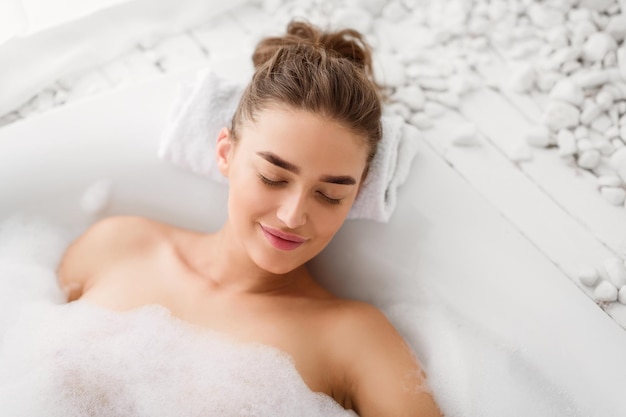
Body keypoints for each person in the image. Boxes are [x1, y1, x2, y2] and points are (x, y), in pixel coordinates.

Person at [57, 20, 442, 417]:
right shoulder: (117, 246)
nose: (292, 215)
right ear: (225, 153)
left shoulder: (354, 339)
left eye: (330, 195)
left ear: (357, 195)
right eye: (273, 178)